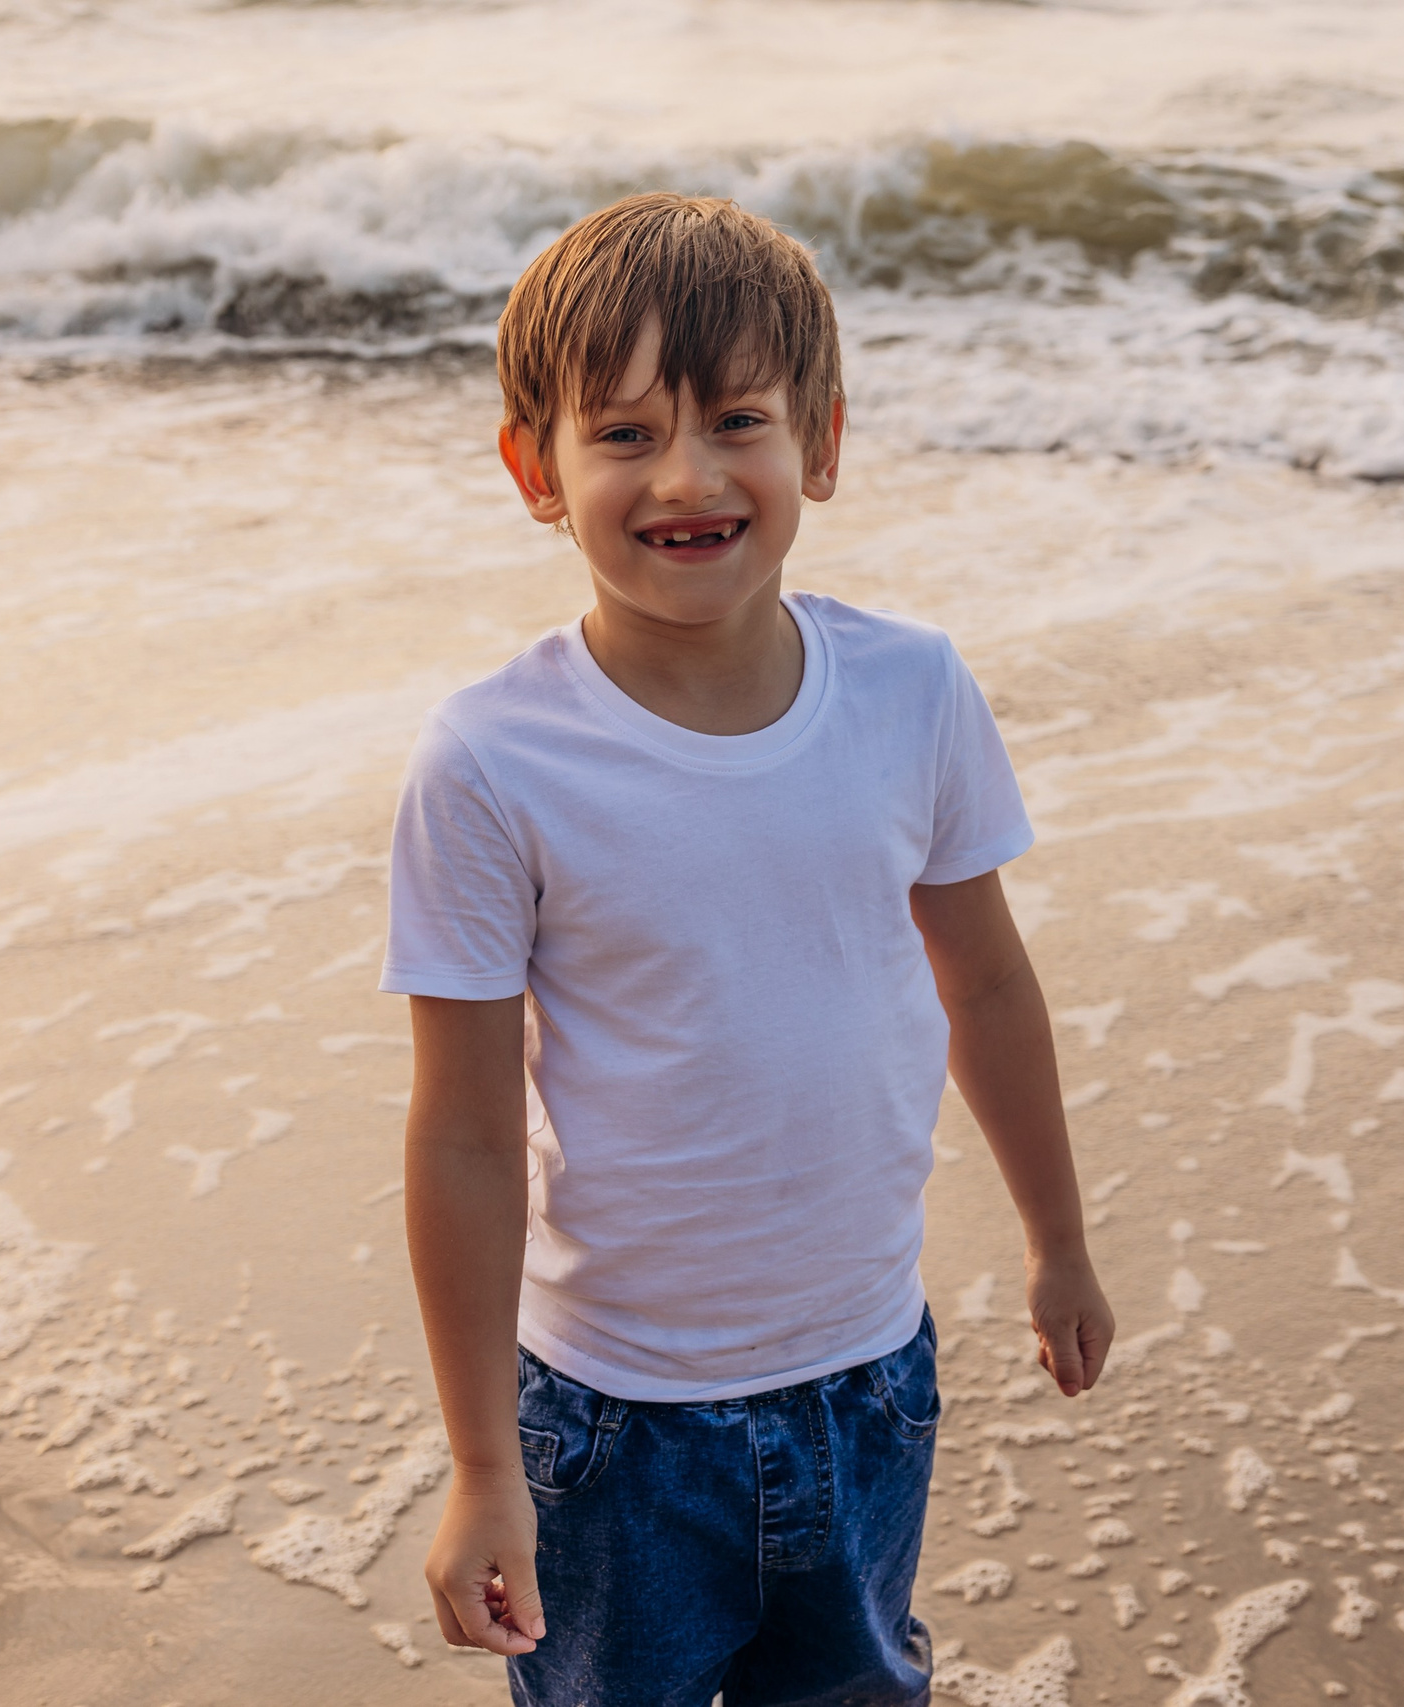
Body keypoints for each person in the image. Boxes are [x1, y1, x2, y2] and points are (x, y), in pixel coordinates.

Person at [380, 192, 1115, 1707]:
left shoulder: (911, 693)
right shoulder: (493, 762)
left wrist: (1057, 1245)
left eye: (738, 421)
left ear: (822, 446)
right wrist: (481, 1467)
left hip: (869, 1375)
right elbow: (461, 1131)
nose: (690, 476)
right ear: (537, 468)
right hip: (614, 1421)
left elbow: (985, 983)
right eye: (627, 433)